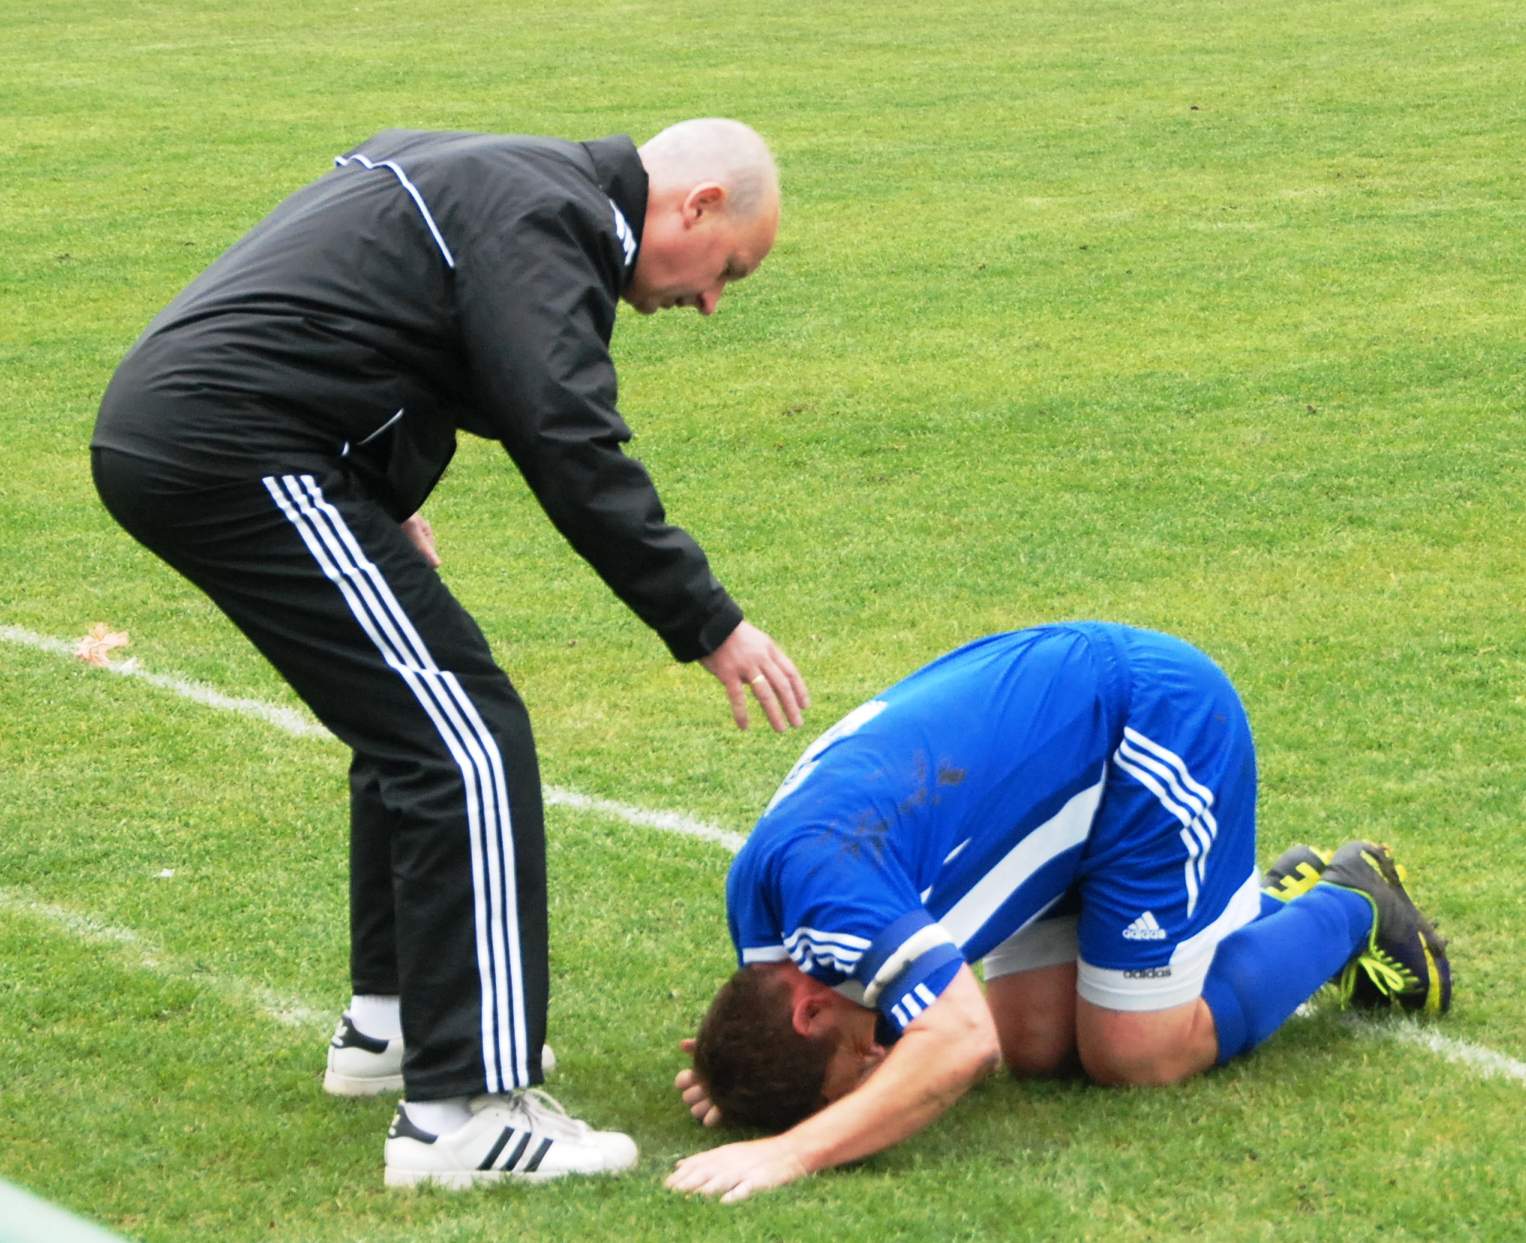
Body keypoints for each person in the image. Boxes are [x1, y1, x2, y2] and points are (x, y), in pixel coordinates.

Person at [90, 117, 810, 1190]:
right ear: (697, 205)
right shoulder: (549, 217)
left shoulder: (498, 176)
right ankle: (462, 1109)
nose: (709, 302)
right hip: (233, 442)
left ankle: (391, 1028)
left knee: (413, 723)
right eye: (728, 274)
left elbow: (385, 325)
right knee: (465, 740)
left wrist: (378, 496)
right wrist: (708, 621)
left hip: (211, 436)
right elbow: (561, 431)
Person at [666, 621, 1449, 1203]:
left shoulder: (834, 889)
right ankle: (1253, 910)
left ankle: (1349, 902)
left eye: (855, 1058)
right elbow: (816, 1019)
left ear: (807, 1008)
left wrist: (794, 1150)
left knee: (1136, 1054)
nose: (875, 1059)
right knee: (1038, 1046)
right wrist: (733, 1076)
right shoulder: (766, 918)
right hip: (1057, 780)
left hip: (1152, 730)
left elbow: (961, 1042)